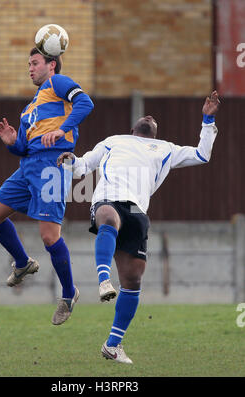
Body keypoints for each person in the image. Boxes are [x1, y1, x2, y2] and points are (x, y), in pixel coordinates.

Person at [57, 91, 220, 363]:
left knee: (133, 280)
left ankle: (113, 345)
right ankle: (103, 280)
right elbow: (83, 166)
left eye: (153, 118)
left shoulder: (166, 148)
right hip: (108, 199)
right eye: (145, 116)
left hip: (137, 210)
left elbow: (202, 155)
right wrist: (71, 161)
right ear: (133, 130)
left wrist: (207, 119)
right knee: (108, 217)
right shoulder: (113, 141)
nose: (150, 116)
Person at [0, 47, 94, 326]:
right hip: (28, 167)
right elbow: (24, 148)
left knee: (49, 236)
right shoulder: (29, 109)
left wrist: (62, 129)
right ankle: (23, 263)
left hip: (52, 166)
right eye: (29, 64)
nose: (30, 68)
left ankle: (69, 294)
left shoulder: (58, 83)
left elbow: (86, 103)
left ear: (52, 64)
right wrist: (12, 143)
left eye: (35, 63)